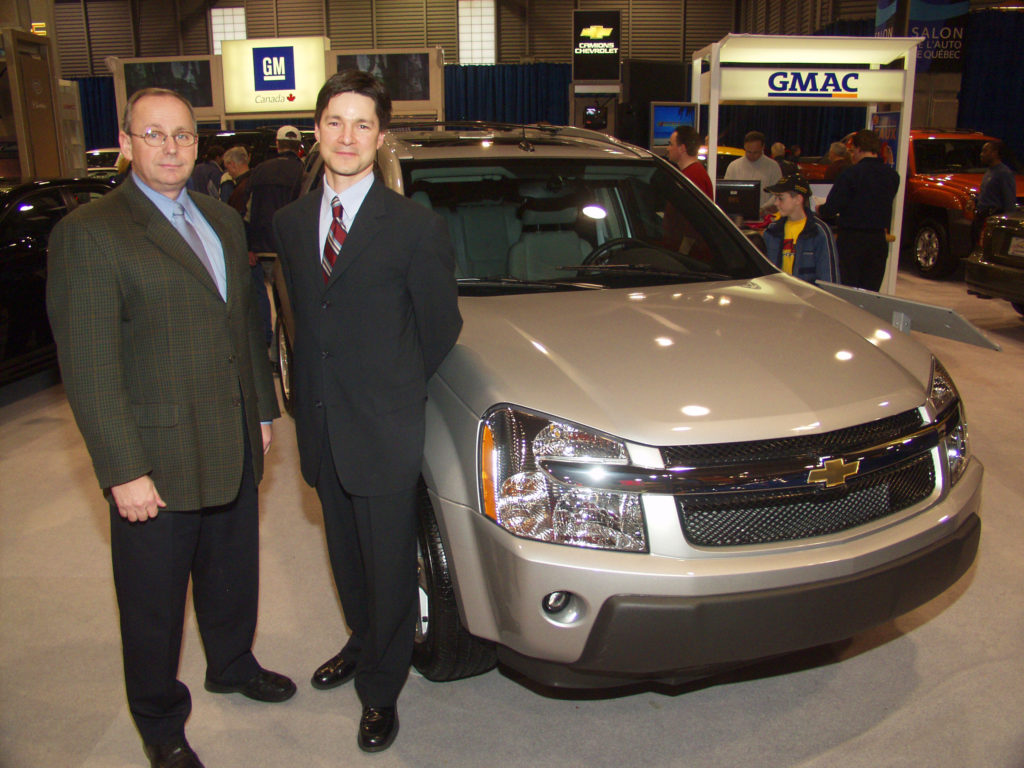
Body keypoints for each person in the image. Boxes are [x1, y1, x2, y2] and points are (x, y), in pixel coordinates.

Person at [46, 88, 294, 768]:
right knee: (153, 601)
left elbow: (242, 323)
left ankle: (233, 664)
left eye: (182, 135)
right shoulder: (92, 233)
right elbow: (90, 366)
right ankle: (158, 718)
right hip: (153, 454)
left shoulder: (222, 217)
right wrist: (123, 468)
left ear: (198, 143)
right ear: (125, 144)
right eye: (153, 135)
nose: (170, 147)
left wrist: (264, 410)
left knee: (232, 571)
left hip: (233, 432)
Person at [272, 70, 462, 753]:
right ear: (316, 130)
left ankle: (381, 688)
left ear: (380, 137)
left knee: (387, 567)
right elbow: (302, 318)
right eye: (334, 121)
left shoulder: (413, 226)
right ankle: (360, 641)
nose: (346, 137)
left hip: (383, 425)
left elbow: (440, 326)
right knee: (346, 556)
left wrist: (392, 392)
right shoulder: (290, 225)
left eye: (362, 125)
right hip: (322, 422)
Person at [817, 129, 899, 291]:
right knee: (871, 291)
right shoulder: (892, 176)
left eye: (852, 151)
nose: (851, 156)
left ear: (860, 149)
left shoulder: (850, 174)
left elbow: (832, 208)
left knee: (848, 291)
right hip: (878, 241)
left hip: (851, 241)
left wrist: (820, 209)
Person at [762, 174, 840, 284]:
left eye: (780, 198)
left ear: (798, 199)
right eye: (775, 198)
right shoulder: (772, 231)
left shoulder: (818, 231)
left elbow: (829, 277)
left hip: (809, 299)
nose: (776, 203)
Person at [246, 125, 304, 256]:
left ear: (277, 144)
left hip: (263, 246)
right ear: (299, 146)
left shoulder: (260, 169)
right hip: (293, 247)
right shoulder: (304, 172)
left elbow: (248, 211)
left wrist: (249, 246)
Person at [724, 130, 782, 212]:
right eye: (749, 152)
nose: (752, 155)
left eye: (756, 152)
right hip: (739, 214)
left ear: (763, 147)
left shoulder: (773, 166)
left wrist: (763, 209)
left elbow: (777, 192)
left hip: (765, 215)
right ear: (744, 146)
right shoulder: (734, 166)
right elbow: (727, 192)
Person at [973, 140, 1018, 244]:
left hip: (992, 216)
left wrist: (1006, 223)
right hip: (981, 216)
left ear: (995, 153)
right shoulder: (989, 171)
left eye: (985, 151)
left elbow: (1009, 199)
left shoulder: (1004, 173)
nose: (981, 155)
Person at [667, 125, 712, 198]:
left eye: (671, 144)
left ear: (682, 148)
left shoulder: (693, 177)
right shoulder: (694, 172)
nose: (668, 148)